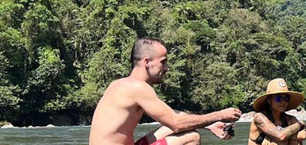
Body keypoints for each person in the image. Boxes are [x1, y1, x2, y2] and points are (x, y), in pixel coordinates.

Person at [89, 37, 241, 145]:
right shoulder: (138, 88)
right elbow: (177, 124)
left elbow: (170, 115)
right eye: (163, 62)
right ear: (147, 62)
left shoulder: (120, 84)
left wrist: (209, 125)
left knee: (166, 128)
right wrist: (219, 115)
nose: (167, 68)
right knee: (191, 137)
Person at [248, 78, 306, 145]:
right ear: (269, 100)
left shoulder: (290, 119)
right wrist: (300, 124)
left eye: (286, 98)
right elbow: (280, 136)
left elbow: (303, 135)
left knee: (296, 142)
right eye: (278, 98)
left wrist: (287, 134)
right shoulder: (259, 117)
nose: (283, 102)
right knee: (275, 141)